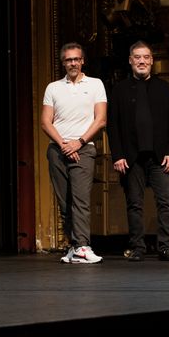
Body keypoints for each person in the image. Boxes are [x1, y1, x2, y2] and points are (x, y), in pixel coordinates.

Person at [107, 40, 169, 262]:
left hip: (160, 156)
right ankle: (137, 246)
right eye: (137, 57)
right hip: (131, 157)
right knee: (134, 203)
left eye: (146, 57)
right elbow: (113, 126)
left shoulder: (164, 88)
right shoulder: (119, 90)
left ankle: (165, 247)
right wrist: (118, 155)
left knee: (166, 202)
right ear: (130, 61)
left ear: (152, 61)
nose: (142, 61)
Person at [41, 42, 107, 264]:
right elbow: (45, 122)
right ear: (63, 63)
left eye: (76, 59)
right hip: (58, 151)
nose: (73, 63)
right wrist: (63, 144)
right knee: (64, 202)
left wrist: (78, 143)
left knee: (80, 199)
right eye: (68, 60)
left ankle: (83, 245)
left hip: (83, 149)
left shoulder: (95, 84)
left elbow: (101, 120)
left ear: (82, 61)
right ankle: (73, 245)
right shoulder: (53, 87)